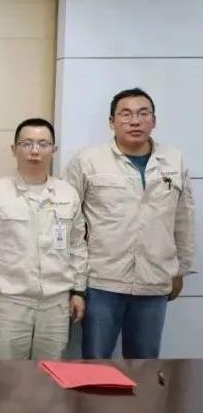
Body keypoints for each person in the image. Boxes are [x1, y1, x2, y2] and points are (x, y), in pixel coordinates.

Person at [65, 87, 194, 359]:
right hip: (101, 282)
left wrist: (180, 270)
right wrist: (74, 280)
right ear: (112, 121)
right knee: (96, 363)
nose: (135, 121)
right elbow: (68, 221)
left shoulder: (173, 160)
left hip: (154, 280)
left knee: (144, 364)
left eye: (142, 114)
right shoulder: (88, 160)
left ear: (154, 121)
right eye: (126, 114)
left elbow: (183, 218)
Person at [0, 118, 88, 360]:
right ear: (14, 149)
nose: (35, 151)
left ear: (54, 150)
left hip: (56, 304)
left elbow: (78, 246)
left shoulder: (68, 193)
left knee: (50, 375)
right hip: (9, 302)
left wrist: (79, 291)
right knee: (7, 375)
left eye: (43, 144)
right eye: (26, 144)